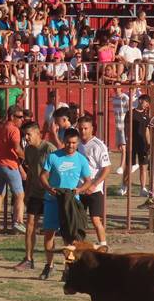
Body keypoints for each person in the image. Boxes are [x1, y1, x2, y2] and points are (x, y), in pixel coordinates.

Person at [38, 127, 93, 280]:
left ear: (78, 142)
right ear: (63, 141)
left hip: (71, 202)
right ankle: (49, 265)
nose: (71, 146)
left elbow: (88, 181)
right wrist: (49, 188)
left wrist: (79, 190)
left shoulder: (81, 159)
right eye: (68, 142)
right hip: (53, 201)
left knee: (69, 238)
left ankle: (68, 268)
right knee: (49, 233)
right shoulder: (54, 156)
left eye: (74, 143)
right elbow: (43, 175)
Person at [15, 122, 56, 272]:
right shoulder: (28, 150)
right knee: (30, 223)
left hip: (50, 193)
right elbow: (31, 172)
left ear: (38, 133)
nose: (26, 138)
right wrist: (27, 192)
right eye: (24, 135)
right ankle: (28, 259)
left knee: (49, 230)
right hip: (35, 193)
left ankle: (50, 263)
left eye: (29, 134)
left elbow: (56, 170)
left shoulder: (49, 149)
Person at [0, 107, 26, 235]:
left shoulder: (0, 128)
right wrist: (28, 156)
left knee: (0, 194)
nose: (22, 119)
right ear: (11, 117)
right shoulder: (14, 130)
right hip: (9, 165)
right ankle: (18, 222)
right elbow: (16, 148)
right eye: (19, 117)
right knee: (19, 195)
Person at [76, 115, 111, 249]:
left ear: (92, 129)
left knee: (96, 220)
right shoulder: (77, 144)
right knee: (78, 221)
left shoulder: (98, 145)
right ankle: (79, 245)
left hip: (94, 190)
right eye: (80, 128)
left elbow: (107, 168)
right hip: (80, 188)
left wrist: (95, 184)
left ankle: (103, 246)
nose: (83, 131)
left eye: (85, 128)